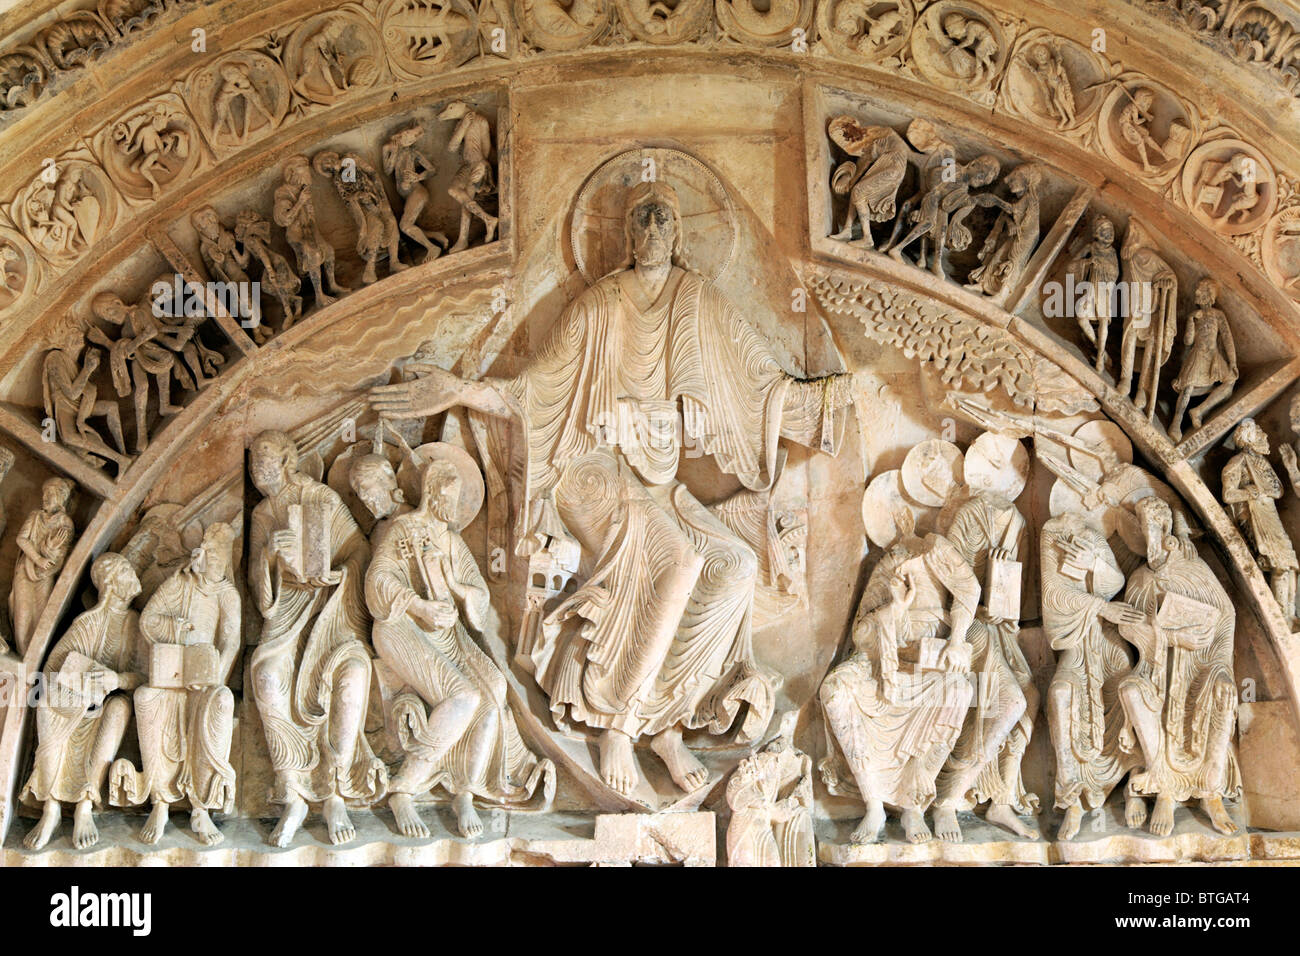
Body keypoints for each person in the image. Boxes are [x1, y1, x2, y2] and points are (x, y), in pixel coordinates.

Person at [370, 179, 850, 796]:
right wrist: (460, 390)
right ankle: (620, 725)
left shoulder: (697, 301)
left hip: (657, 482)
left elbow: (759, 385)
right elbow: (535, 392)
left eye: (663, 221)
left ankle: (666, 720)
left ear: (678, 235)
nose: (652, 232)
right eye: (641, 221)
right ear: (626, 235)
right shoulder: (600, 304)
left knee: (731, 565)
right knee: (676, 559)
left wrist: (825, 403)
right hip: (589, 468)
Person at [366, 457, 552, 838]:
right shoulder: (403, 529)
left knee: (494, 690)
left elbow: (479, 598)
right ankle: (404, 788)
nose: (454, 507)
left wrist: (451, 586)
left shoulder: (452, 541)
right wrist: (419, 605)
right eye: (450, 498)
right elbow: (378, 581)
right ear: (433, 494)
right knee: (463, 698)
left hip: (447, 636)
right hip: (401, 629)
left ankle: (464, 790)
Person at [246, 430, 386, 846]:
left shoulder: (322, 498)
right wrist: (270, 554)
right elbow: (261, 596)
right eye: (253, 460)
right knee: (268, 675)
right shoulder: (262, 515)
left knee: (353, 674)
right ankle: (291, 792)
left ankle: (335, 790)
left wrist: (339, 576)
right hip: (289, 609)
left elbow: (358, 551)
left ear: (289, 460)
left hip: (333, 610)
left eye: (266, 458)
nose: (257, 468)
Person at [819, 513, 976, 844]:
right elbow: (862, 635)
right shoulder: (890, 564)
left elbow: (969, 591)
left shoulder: (940, 553)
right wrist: (895, 609)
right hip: (880, 664)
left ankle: (913, 807)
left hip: (927, 667)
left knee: (959, 691)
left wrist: (958, 640)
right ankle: (873, 805)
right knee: (835, 690)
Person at [109, 523, 240, 846]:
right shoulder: (178, 584)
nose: (217, 566)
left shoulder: (227, 595)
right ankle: (160, 800)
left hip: (205, 679)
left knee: (221, 701)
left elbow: (230, 641)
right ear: (200, 557)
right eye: (212, 558)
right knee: (145, 696)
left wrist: (214, 677)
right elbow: (148, 620)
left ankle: (201, 805)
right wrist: (175, 630)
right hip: (170, 674)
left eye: (222, 560)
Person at [1117, 497, 1240, 836]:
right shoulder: (1140, 579)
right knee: (1130, 690)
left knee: (1223, 691)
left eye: (1155, 524)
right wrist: (1167, 636)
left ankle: (1210, 792)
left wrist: (1219, 663)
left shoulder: (1193, 569)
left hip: (1201, 664)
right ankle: (1166, 789)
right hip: (1157, 666)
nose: (1149, 532)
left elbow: (1226, 615)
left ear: (1167, 527)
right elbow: (1129, 627)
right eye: (1144, 525)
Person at [21, 554, 144, 851]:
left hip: (107, 703)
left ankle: (85, 806)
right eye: (126, 570)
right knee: (46, 702)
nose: (133, 575)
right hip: (73, 701)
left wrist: (118, 681)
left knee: (118, 709)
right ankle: (50, 807)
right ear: (112, 583)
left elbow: (144, 675)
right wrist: (77, 683)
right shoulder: (87, 621)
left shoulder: (135, 624)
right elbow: (51, 669)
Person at [1040, 512, 1142, 840]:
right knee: (1059, 694)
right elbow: (1054, 596)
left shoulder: (1093, 536)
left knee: (1129, 688)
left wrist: (1094, 564)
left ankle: (1136, 781)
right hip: (1077, 639)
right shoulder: (1050, 537)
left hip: (1107, 639)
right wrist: (1099, 607)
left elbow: (1116, 584)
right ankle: (1071, 799)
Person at [9, 477, 75, 656]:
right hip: (26, 569)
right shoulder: (35, 516)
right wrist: (38, 557)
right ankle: (21, 653)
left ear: (61, 497)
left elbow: (61, 555)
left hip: (46, 574)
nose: (45, 497)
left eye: (51, 493)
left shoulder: (65, 523)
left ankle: (32, 658)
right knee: (22, 614)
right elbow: (21, 539)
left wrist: (51, 549)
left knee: (41, 616)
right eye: (44, 492)